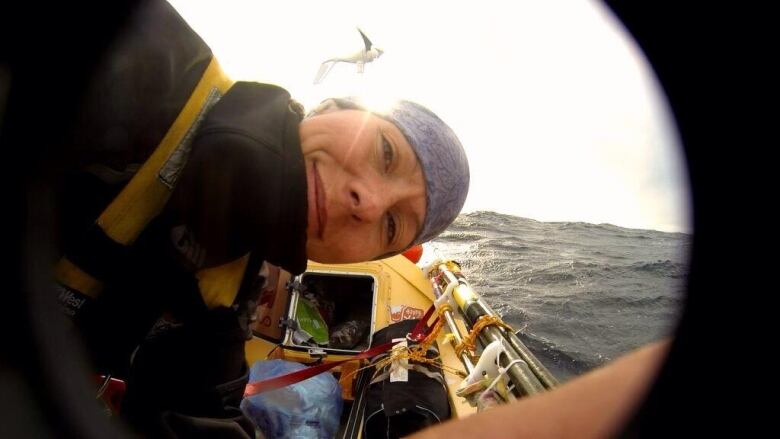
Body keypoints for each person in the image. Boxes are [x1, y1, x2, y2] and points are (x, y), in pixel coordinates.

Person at [52, 0, 469, 437]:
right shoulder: (149, 54)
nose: (367, 202)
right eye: (386, 151)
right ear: (330, 107)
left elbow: (199, 410)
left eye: (391, 225)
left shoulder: (231, 291)